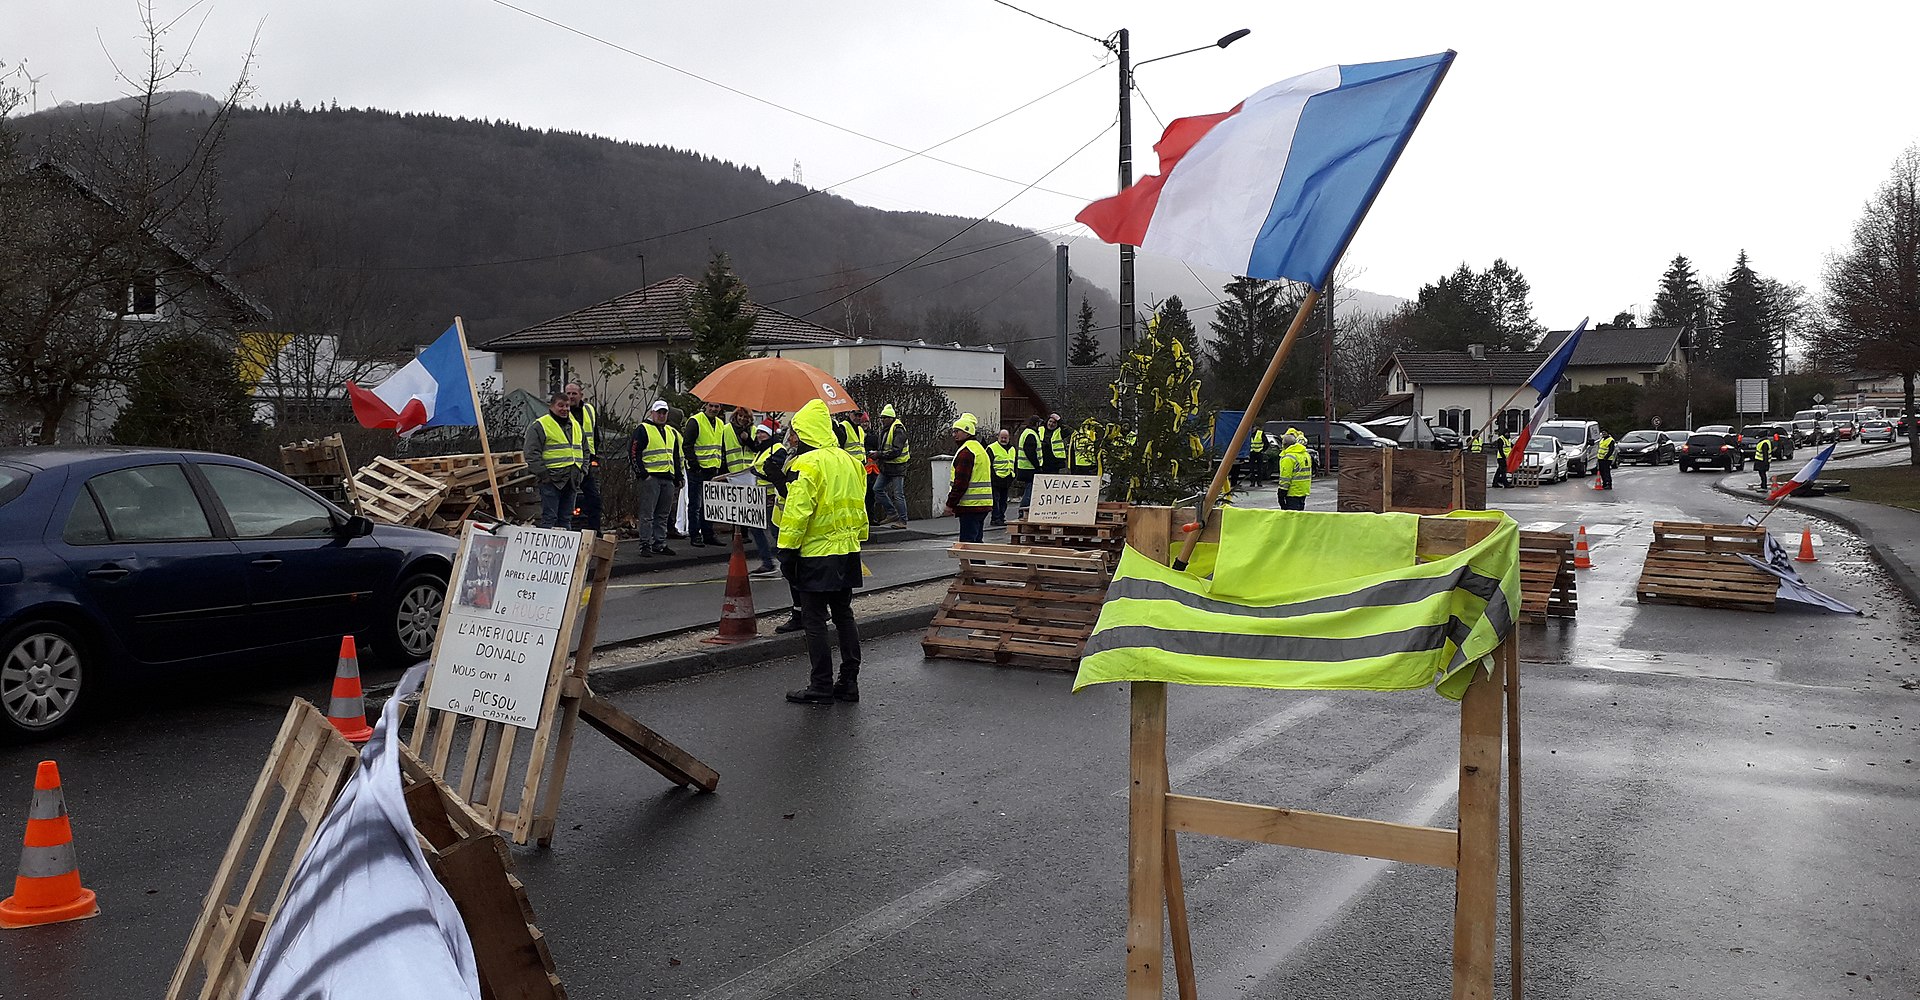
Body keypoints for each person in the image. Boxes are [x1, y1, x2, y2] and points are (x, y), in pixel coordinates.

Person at [779, 399, 869, 705]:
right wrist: (859, 538)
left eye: (795, 433)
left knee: (814, 619)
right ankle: (849, 682)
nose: (793, 438)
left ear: (806, 432)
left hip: (816, 553)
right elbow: (860, 507)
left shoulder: (808, 464)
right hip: (848, 550)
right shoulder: (851, 462)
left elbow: (797, 514)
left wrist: (787, 553)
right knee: (844, 614)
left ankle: (820, 685)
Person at [628, 400, 684, 555]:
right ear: (652, 413)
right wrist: (642, 474)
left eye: (664, 412)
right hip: (651, 477)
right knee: (648, 514)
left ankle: (659, 543)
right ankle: (645, 544)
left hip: (667, 477)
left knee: (662, 514)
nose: (661, 415)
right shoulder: (643, 429)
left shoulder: (670, 432)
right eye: (658, 412)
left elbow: (675, 456)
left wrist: (677, 476)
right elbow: (634, 452)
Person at [526, 391, 583, 528]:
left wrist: (583, 469)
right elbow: (531, 453)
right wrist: (544, 475)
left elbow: (584, 449)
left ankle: (566, 549)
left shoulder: (574, 425)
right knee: (550, 518)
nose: (565, 409)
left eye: (567, 406)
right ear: (551, 406)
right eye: (561, 406)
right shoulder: (540, 425)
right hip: (551, 479)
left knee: (566, 518)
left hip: (571, 479)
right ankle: (547, 549)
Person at [943, 413, 994, 543]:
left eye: (957, 431)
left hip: (970, 506)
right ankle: (978, 563)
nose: (954, 434)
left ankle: (972, 564)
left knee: (968, 545)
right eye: (953, 431)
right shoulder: (980, 449)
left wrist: (950, 504)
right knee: (977, 543)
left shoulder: (966, 452)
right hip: (983, 504)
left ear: (967, 432)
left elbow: (961, 482)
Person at [684, 401, 729, 546]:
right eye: (711, 406)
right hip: (698, 470)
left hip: (712, 470)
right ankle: (695, 535)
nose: (714, 409)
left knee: (709, 504)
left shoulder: (720, 424)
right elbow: (687, 445)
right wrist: (694, 465)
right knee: (695, 505)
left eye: (717, 406)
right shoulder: (695, 421)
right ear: (706, 406)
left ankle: (708, 534)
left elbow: (720, 446)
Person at [564, 382, 602, 533]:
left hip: (587, 462)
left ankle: (595, 530)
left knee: (594, 498)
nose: (571, 397)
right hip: (568, 462)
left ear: (581, 395)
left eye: (574, 394)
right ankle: (567, 531)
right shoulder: (561, 411)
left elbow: (595, 434)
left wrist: (595, 456)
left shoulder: (589, 410)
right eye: (568, 393)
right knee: (568, 498)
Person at [744, 421, 781, 576]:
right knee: (756, 529)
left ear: (770, 433)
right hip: (759, 496)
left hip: (771, 496)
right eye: (758, 432)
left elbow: (777, 472)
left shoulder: (778, 449)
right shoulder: (762, 450)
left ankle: (788, 562)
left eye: (763, 432)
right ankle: (767, 562)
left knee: (775, 531)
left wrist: (761, 473)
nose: (759, 435)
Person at [873, 404, 913, 528]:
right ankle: (892, 513)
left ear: (890, 418)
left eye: (884, 418)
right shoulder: (887, 429)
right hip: (887, 467)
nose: (882, 420)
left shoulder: (898, 430)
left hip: (898, 467)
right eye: (882, 418)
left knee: (898, 494)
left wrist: (879, 455)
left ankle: (902, 520)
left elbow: (896, 451)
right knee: (877, 489)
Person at [1275, 428, 1313, 511]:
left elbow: (1285, 478)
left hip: (1292, 492)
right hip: (1303, 490)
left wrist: (1281, 493)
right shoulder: (1305, 454)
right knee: (1299, 518)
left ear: (1284, 445)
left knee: (1291, 519)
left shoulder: (1288, 457)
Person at [987, 428, 1018, 527]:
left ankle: (1001, 517)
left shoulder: (1012, 449)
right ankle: (995, 518)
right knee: (996, 500)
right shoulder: (991, 448)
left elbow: (1014, 463)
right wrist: (992, 477)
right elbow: (988, 465)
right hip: (996, 479)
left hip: (1007, 479)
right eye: (1002, 437)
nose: (1004, 439)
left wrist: (1014, 475)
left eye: (1005, 438)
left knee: (1003, 500)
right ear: (998, 437)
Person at [1015, 415, 1043, 515]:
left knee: (1029, 490)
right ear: (1036, 423)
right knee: (1029, 492)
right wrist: (1037, 466)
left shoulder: (1026, 433)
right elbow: (1030, 452)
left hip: (1025, 467)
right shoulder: (1031, 434)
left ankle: (1024, 511)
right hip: (1029, 468)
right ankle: (1023, 511)